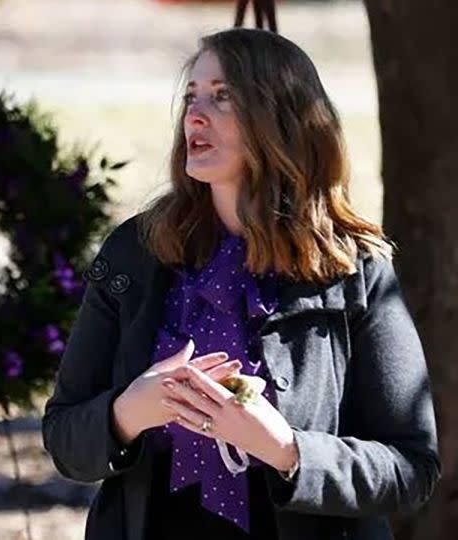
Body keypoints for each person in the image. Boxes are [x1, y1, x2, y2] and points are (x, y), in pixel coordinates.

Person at [41, 28, 439, 540]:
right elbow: (63, 436)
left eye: (222, 96)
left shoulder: (353, 267)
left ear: (280, 118)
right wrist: (128, 412)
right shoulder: (134, 253)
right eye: (191, 97)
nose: (195, 116)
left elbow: (411, 468)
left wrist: (289, 450)